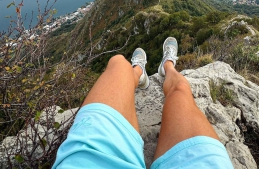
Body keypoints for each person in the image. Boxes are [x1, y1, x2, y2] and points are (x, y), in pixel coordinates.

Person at [52, 37, 234, 169]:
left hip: (88, 162)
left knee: (117, 62)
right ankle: (168, 66)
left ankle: (138, 71)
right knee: (180, 90)